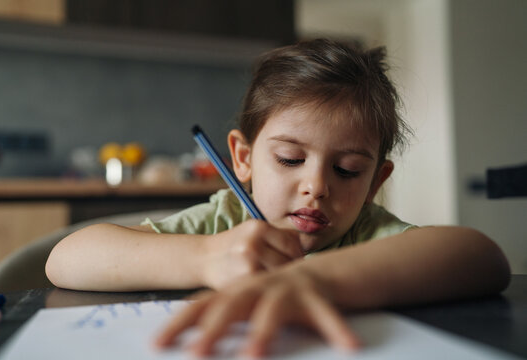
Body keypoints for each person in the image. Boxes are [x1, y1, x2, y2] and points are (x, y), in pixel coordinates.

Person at [45, 39, 510, 358]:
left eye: (347, 170)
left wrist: (320, 280)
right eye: (290, 159)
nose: (317, 186)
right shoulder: (222, 224)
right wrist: (205, 257)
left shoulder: (369, 234)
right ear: (242, 160)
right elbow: (66, 258)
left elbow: (482, 257)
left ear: (374, 182)